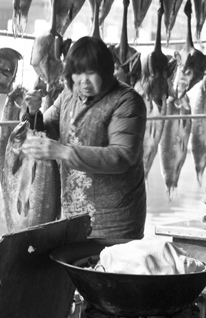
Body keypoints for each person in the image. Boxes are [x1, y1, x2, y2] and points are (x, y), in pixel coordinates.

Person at [21, 35, 148, 239]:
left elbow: (121, 156)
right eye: (77, 73)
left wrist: (62, 151)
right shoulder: (67, 96)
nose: (83, 81)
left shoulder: (126, 101)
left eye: (91, 73)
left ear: (107, 71)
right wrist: (33, 112)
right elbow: (46, 130)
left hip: (115, 222)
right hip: (72, 219)